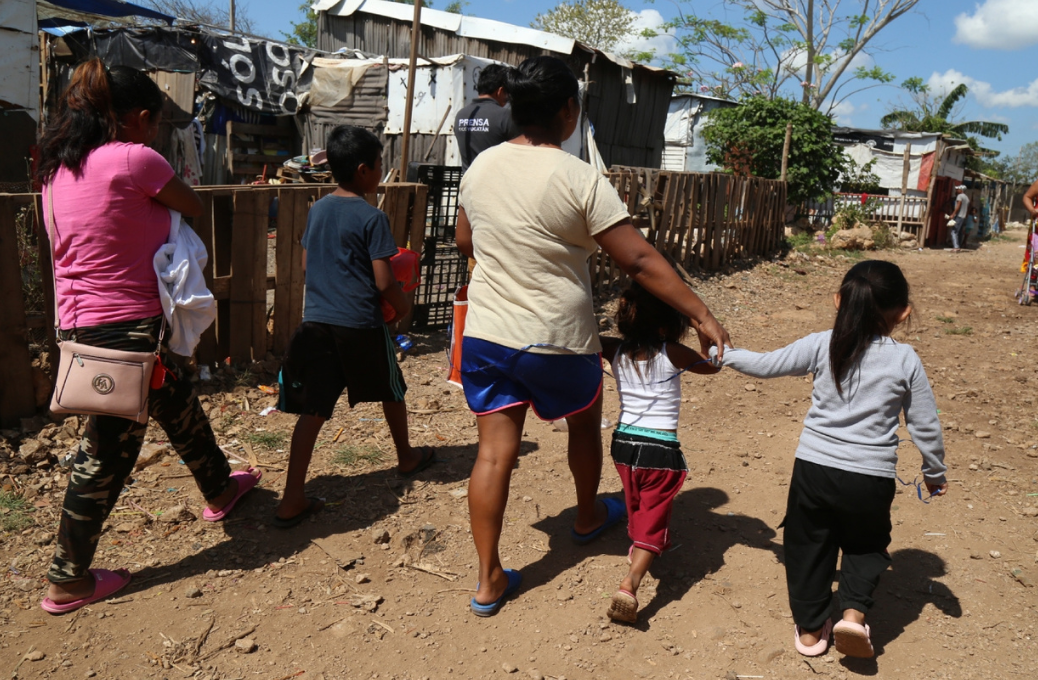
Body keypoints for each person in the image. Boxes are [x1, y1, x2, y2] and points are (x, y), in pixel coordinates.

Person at [454, 55, 730, 617]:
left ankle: (487, 582)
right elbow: (639, 260)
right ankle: (585, 515)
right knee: (583, 420)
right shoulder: (580, 177)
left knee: (492, 455)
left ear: (511, 106)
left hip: (486, 335)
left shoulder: (479, 169)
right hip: (558, 337)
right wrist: (702, 316)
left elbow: (465, 242)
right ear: (569, 112)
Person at [36, 58, 262, 614]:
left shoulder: (56, 169)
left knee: (174, 398)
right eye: (156, 123)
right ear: (137, 118)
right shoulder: (135, 159)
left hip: (83, 324)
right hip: (129, 330)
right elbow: (192, 205)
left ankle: (219, 488)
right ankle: (67, 579)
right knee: (108, 451)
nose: (156, 133)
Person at [712, 260, 947, 659]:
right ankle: (852, 617)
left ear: (838, 301)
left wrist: (724, 354)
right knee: (865, 545)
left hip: (814, 470)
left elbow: (767, 365)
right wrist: (934, 472)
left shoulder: (823, 343)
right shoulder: (906, 359)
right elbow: (925, 424)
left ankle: (809, 631)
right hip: (870, 478)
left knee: (807, 545)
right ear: (903, 313)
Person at [274, 126, 435, 527]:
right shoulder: (372, 216)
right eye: (380, 165)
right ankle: (406, 456)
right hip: (360, 323)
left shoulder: (318, 210)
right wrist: (401, 306)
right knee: (392, 388)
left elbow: (309, 266)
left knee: (314, 408)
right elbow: (384, 280)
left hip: (318, 323)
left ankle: (292, 496)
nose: (381, 171)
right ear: (364, 170)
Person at [598, 281, 719, 624]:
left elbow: (583, 342)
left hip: (623, 444)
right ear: (667, 326)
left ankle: (638, 544)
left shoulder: (614, 350)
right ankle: (630, 584)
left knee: (634, 497)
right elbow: (714, 365)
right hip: (659, 449)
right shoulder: (673, 352)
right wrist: (703, 333)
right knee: (654, 511)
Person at [454, 64, 519, 170]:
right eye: (507, 93)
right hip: (494, 184)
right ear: (500, 91)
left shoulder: (461, 115)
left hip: (468, 183)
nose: (507, 98)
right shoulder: (505, 116)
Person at [945, 184, 970, 252]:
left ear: (961, 190)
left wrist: (953, 214)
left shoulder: (960, 196)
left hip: (959, 216)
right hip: (963, 217)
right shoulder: (967, 197)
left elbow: (958, 206)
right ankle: (958, 245)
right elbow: (967, 208)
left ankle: (956, 247)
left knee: (954, 232)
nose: (956, 190)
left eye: (958, 189)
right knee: (959, 232)